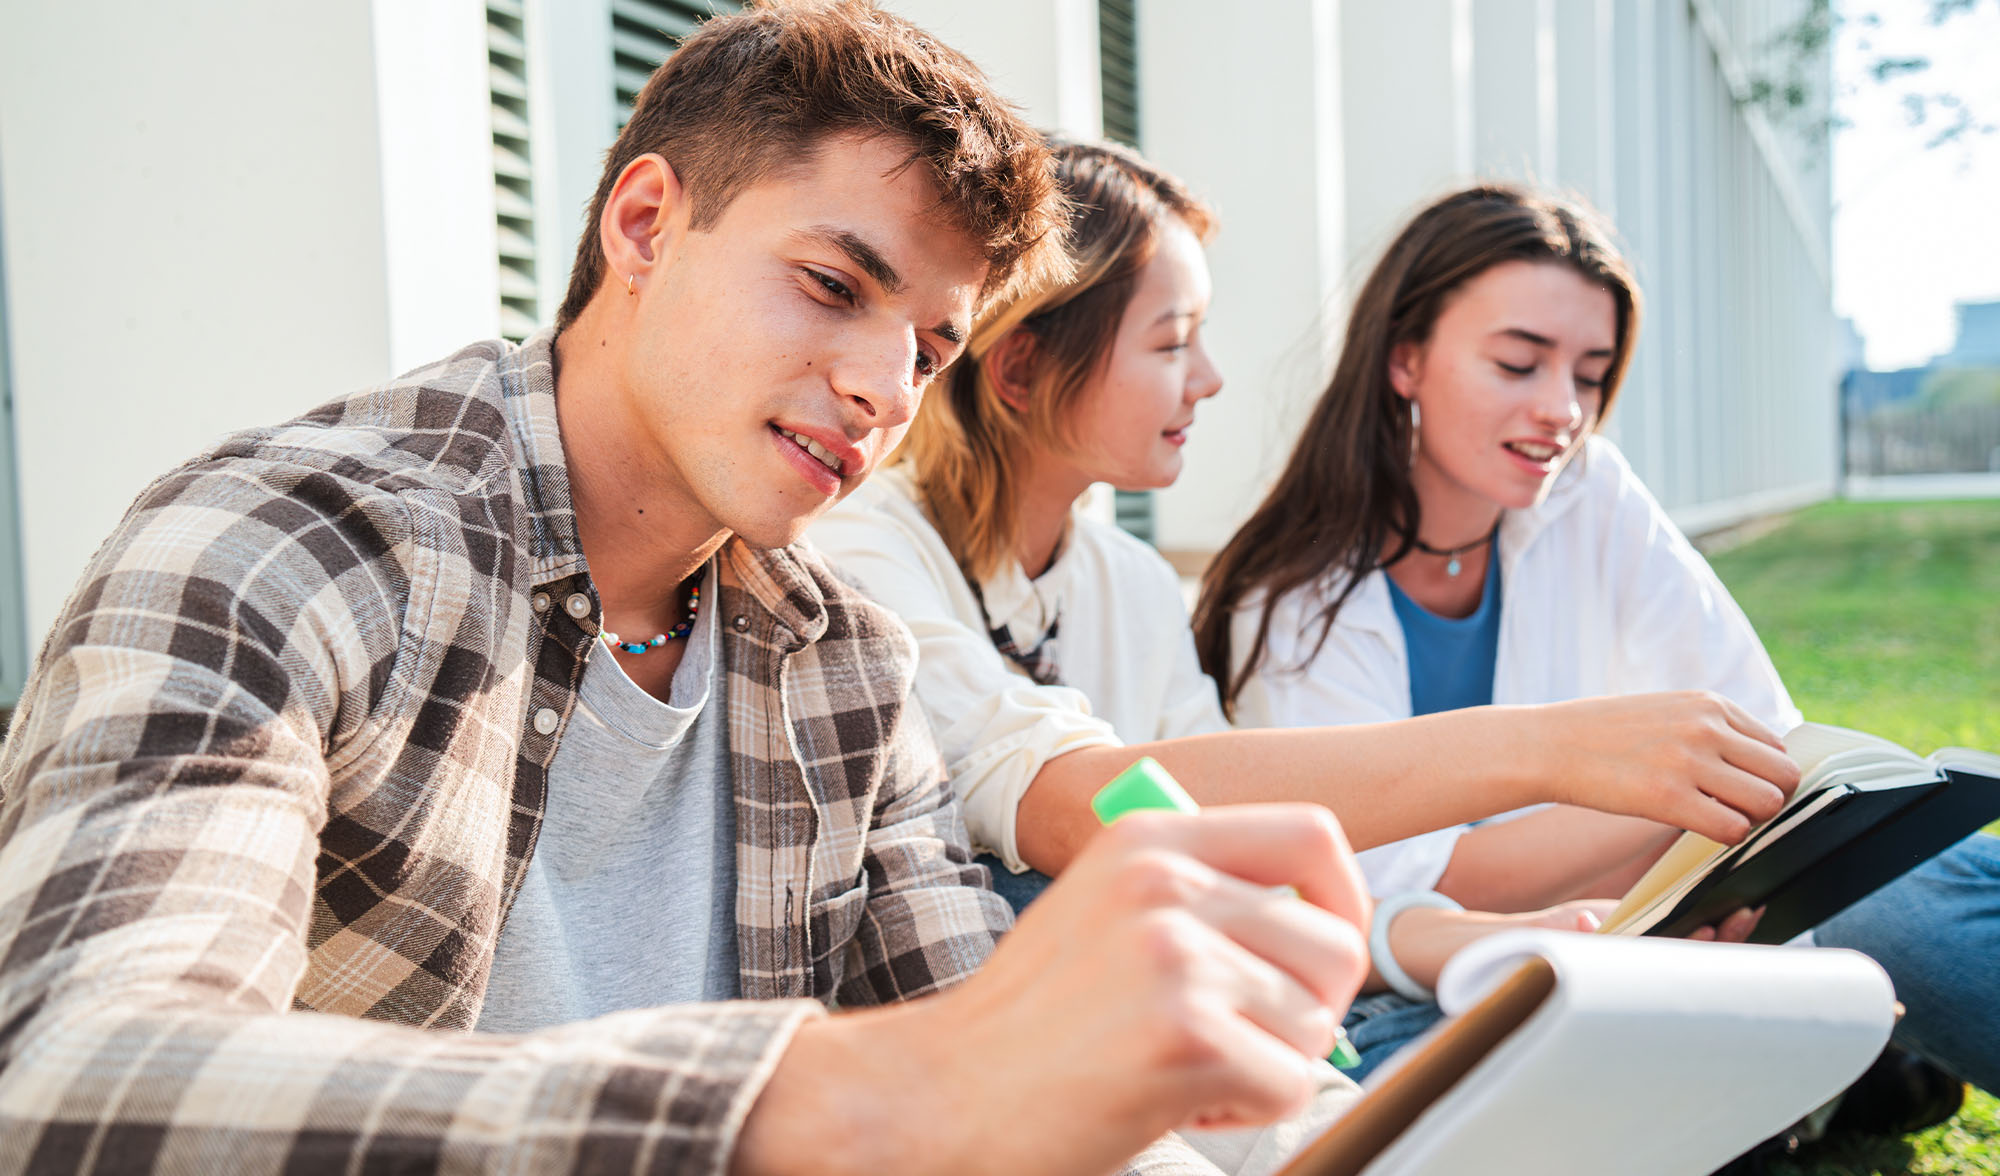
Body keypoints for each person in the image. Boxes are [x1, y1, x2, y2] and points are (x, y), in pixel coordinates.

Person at [0, 7, 1379, 1174]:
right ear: (648, 223)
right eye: (834, 284)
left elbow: (976, 1047)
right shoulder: (290, 544)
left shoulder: (841, 663)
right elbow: (72, 1079)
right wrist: (832, 1097)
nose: (882, 390)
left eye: (929, 348)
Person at [808, 143, 1798, 940]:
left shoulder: (1131, 584)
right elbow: (1083, 806)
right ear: (1019, 371)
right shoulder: (865, 553)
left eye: (1587, 373)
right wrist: (1549, 756)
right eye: (1170, 342)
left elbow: (1239, 861)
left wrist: (1498, 943)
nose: (1208, 380)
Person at [1191, 182, 2000, 1095]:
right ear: (1405, 358)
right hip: (1448, 982)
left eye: (1588, 373)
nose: (1563, 410)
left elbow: (1758, 732)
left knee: (1921, 885)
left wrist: (1682, 798)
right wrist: (1656, 789)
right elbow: (1414, 896)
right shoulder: (1294, 603)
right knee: (1888, 924)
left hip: (1659, 909)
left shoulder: (1588, 492)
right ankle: (1839, 1075)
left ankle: (1839, 1066)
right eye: (1519, 363)